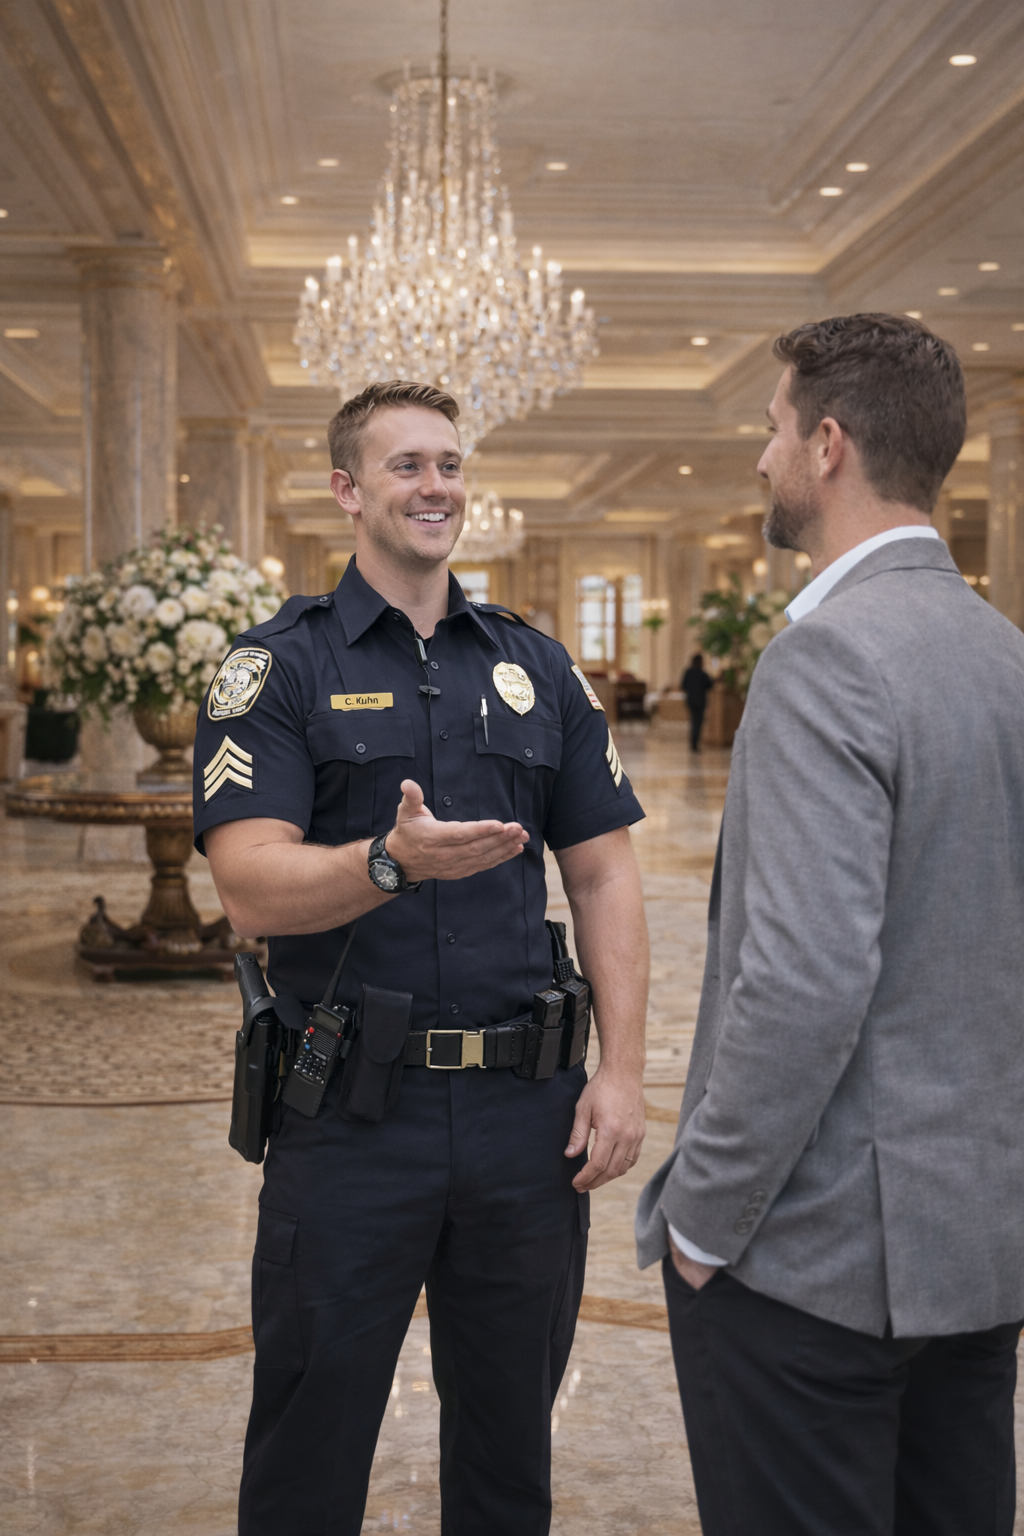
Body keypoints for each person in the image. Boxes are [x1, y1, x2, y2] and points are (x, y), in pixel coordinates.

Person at [193, 380, 649, 1536]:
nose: (435, 485)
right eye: (406, 465)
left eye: (448, 463)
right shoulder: (274, 668)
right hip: (352, 1114)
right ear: (348, 490)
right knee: (310, 1441)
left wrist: (626, 1071)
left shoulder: (536, 667)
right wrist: (387, 866)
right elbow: (247, 882)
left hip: (522, 1115)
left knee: (509, 1448)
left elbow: (601, 871)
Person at [635, 313, 1024, 1536]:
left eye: (769, 430)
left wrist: (702, 1215)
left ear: (829, 445)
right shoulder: (1005, 654)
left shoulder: (825, 662)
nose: (759, 460)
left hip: (814, 1262)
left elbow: (801, 985)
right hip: (980, 1242)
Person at [679, 652, 714, 751]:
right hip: (700, 701)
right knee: (698, 722)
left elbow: (683, 685)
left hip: (691, 700)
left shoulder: (688, 672)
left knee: (694, 722)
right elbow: (710, 685)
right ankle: (695, 745)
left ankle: (693, 744)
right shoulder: (702, 673)